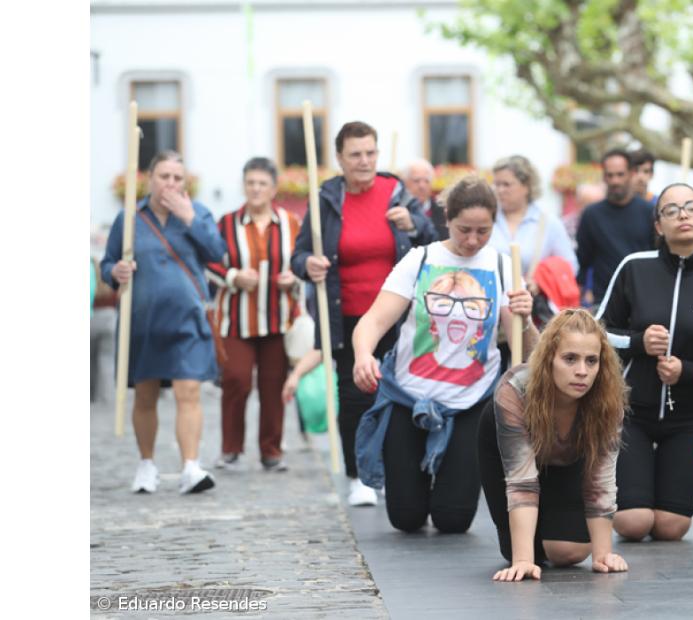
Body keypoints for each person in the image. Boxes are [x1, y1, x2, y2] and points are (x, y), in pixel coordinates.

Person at [352, 175, 537, 534]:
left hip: (471, 401)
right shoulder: (420, 260)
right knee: (406, 518)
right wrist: (363, 354)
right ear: (447, 220)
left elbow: (528, 352)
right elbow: (373, 320)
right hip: (410, 396)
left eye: (483, 231)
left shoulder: (502, 267)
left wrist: (526, 318)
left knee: (452, 520)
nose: (472, 240)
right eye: (464, 229)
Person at [290, 120, 436, 507]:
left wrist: (414, 224)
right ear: (340, 158)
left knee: (399, 393)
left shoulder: (397, 192)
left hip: (398, 314)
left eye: (370, 152)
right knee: (354, 394)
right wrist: (310, 265)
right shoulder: (325, 199)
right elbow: (299, 255)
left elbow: (434, 240)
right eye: (355, 154)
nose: (364, 161)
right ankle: (359, 476)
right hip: (347, 315)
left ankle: (395, 470)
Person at [102, 150, 227, 495]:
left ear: (185, 183)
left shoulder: (198, 213)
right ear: (149, 178)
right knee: (146, 395)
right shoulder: (129, 218)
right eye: (164, 176)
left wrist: (190, 218)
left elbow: (219, 253)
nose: (170, 184)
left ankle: (190, 466)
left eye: (177, 178)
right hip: (143, 323)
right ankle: (147, 464)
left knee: (189, 392)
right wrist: (115, 271)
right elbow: (107, 263)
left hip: (188, 321)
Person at [596, 183, 693, 541]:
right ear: (658, 225)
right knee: (634, 524)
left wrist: (688, 371)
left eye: (692, 207)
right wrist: (638, 341)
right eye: (671, 210)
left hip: (688, 418)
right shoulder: (634, 268)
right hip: (632, 411)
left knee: (670, 527)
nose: (682, 215)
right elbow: (595, 333)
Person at [479, 309, 629, 581]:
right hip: (508, 457)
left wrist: (603, 555)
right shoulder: (515, 390)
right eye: (570, 359)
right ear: (549, 358)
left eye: (591, 360)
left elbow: (600, 482)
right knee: (527, 553)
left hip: (564, 460)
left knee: (569, 551)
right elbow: (521, 483)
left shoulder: (608, 401)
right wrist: (523, 562)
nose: (582, 371)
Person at [206, 157, 301, 472]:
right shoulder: (226, 224)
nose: (256, 189)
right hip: (237, 319)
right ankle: (231, 449)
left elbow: (304, 261)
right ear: (243, 186)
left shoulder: (291, 223)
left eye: (262, 183)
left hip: (278, 318)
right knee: (236, 379)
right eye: (251, 183)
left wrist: (294, 278)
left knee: (274, 387)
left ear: (273, 188)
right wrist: (233, 276)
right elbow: (209, 262)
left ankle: (271, 452)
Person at [575, 149, 655, 305]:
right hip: (603, 300)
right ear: (604, 176)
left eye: (620, 174)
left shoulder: (649, 212)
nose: (615, 181)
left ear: (631, 173)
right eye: (610, 175)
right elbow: (583, 260)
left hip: (643, 299)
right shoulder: (591, 215)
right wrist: (582, 293)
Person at [489, 154, 578, 277]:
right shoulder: (487, 219)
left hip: (533, 294)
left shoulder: (548, 222)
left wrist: (541, 281)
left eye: (506, 184)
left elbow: (570, 267)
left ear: (526, 187)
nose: (499, 190)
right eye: (496, 184)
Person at [405, 158, 449, 241]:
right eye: (416, 181)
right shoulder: (400, 210)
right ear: (405, 182)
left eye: (427, 181)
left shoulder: (443, 211)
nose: (422, 186)